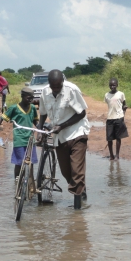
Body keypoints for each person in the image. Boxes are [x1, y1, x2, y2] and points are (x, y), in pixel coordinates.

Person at [38, 69, 90, 209]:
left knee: (77, 171)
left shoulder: (71, 90)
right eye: (53, 86)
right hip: (59, 137)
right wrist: (40, 129)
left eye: (58, 86)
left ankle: (77, 211)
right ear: (49, 84)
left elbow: (82, 113)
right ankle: (81, 189)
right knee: (66, 172)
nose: (55, 89)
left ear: (62, 82)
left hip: (77, 132)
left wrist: (62, 126)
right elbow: (42, 113)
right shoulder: (45, 92)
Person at [0, 87, 38, 178]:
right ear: (22, 96)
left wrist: (41, 130)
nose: (31, 100)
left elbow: (36, 122)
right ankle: (17, 182)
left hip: (31, 139)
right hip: (19, 139)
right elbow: (1, 118)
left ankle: (31, 185)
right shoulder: (14, 108)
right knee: (19, 163)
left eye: (32, 98)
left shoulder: (32, 108)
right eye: (28, 98)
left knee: (30, 163)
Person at [104, 78, 128, 160]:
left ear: (117, 85)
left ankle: (117, 155)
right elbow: (109, 104)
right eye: (111, 85)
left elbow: (124, 104)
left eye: (114, 85)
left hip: (119, 118)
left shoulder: (121, 94)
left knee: (118, 137)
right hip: (110, 118)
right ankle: (111, 155)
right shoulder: (106, 95)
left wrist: (124, 108)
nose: (112, 86)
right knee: (109, 138)